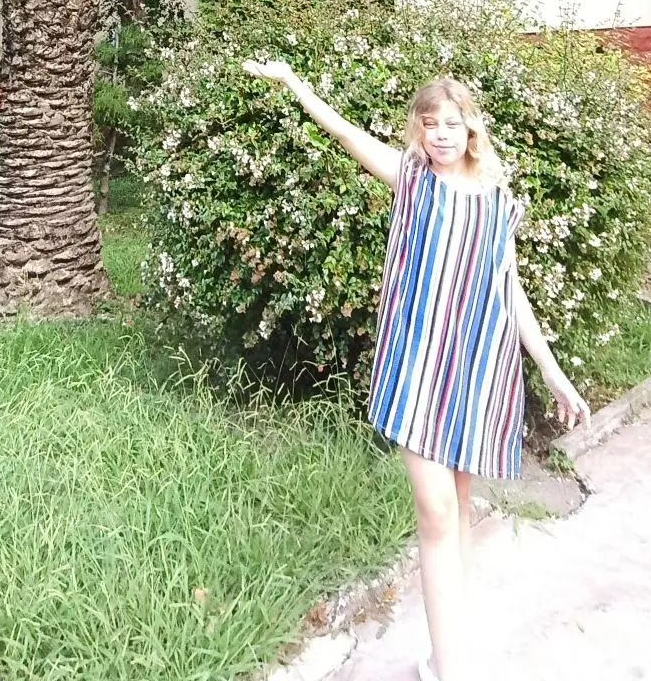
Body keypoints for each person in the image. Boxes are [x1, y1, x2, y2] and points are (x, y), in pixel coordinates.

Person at [242, 59, 589, 681]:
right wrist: (293, 83)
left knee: (457, 509)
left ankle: (448, 648)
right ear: (419, 131)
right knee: (436, 512)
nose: (441, 134)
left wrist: (552, 371)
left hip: (476, 368)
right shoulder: (411, 178)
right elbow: (343, 131)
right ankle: (450, 666)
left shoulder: (497, 201)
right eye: (430, 124)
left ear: (471, 128)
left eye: (451, 123)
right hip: (418, 368)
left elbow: (509, 289)